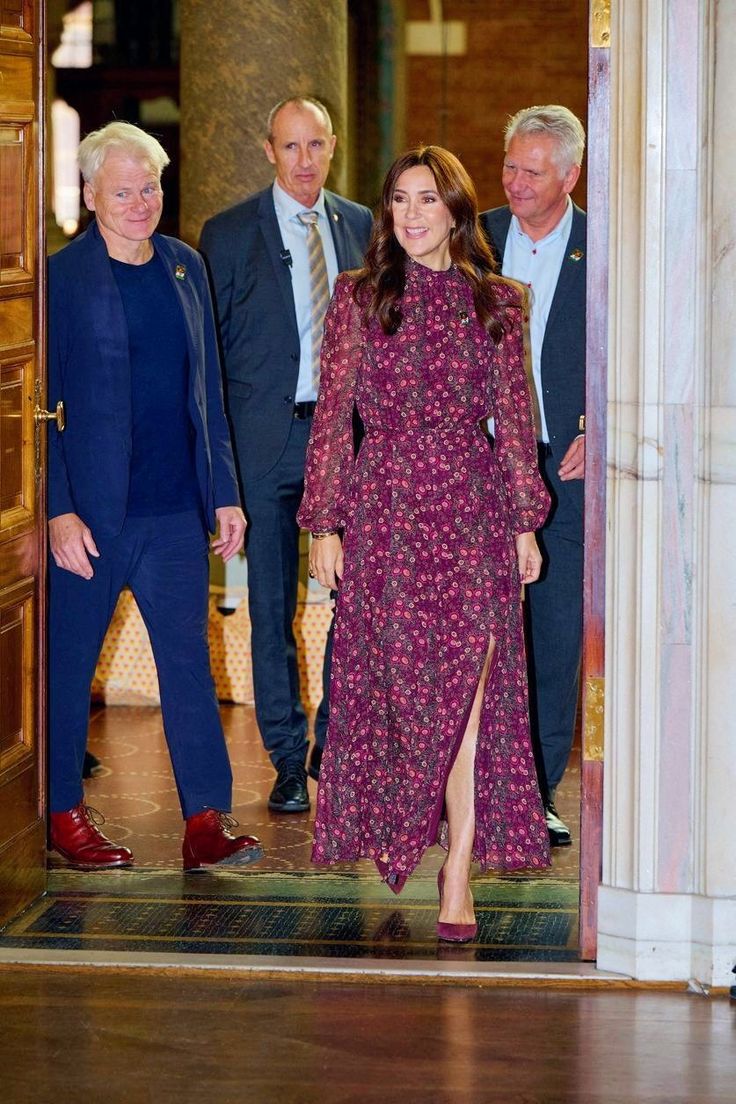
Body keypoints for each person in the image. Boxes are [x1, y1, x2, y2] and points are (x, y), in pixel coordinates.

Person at [298, 145, 551, 942]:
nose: (411, 215)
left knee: (472, 701)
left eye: (427, 201)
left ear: (455, 213)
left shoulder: (499, 302)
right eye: (399, 200)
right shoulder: (359, 297)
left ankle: (459, 869)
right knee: (402, 693)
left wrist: (524, 522)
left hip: (472, 512)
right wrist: (324, 524)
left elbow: (514, 420)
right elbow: (334, 416)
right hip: (386, 514)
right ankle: (404, 831)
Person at [47, 121, 261, 873]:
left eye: (151, 188)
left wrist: (225, 493)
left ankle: (206, 818)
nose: (141, 203)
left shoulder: (184, 267)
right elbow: (39, 403)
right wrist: (56, 508)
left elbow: (210, 392)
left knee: (188, 668)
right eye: (124, 191)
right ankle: (61, 811)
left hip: (175, 511)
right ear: (89, 194)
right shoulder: (60, 278)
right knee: (67, 667)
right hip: (92, 518)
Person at [200, 97, 372, 814]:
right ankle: (285, 758)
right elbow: (206, 360)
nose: (305, 162)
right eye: (291, 147)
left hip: (351, 448)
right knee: (272, 610)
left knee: (353, 604)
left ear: (333, 147)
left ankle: (332, 739)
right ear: (268, 149)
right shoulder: (229, 232)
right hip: (264, 446)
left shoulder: (363, 226)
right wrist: (221, 473)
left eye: (317, 146)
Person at [480, 105, 586, 847]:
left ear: (571, 176)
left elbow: (644, 342)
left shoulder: (608, 244)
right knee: (472, 632)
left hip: (563, 463)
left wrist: (599, 421)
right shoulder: (474, 238)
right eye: (510, 166)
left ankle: (537, 792)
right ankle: (466, 787)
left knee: (549, 632)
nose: (514, 182)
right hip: (474, 462)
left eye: (532, 171)